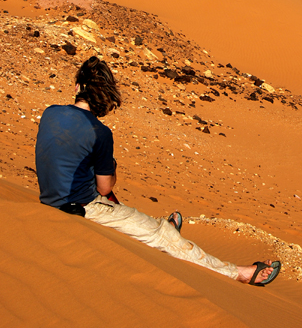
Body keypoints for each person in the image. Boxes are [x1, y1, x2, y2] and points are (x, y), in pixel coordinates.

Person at [35, 56, 281, 286]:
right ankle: (239, 273)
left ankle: (160, 226)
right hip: (81, 207)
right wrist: (112, 170)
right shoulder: (99, 132)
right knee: (160, 234)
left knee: (130, 216)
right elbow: (105, 188)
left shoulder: (50, 112)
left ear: (78, 87)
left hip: (49, 199)